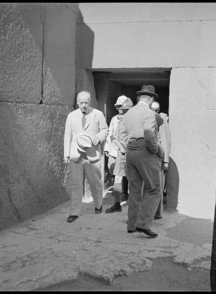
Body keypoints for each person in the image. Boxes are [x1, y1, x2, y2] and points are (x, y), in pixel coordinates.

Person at [119, 85, 164, 238]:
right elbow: (150, 136)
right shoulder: (149, 113)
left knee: (135, 189)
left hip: (130, 151)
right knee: (154, 188)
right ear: (151, 99)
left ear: (139, 98)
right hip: (145, 151)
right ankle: (143, 224)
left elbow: (121, 136)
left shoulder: (128, 113)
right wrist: (155, 150)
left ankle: (131, 225)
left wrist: (130, 147)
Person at [64, 91, 109, 223]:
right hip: (75, 155)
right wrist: (66, 154)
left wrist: (98, 139)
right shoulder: (71, 116)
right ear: (77, 103)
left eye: (86, 103)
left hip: (92, 154)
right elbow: (67, 135)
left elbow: (105, 130)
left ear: (90, 102)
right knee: (75, 184)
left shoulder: (98, 114)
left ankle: (98, 204)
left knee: (95, 182)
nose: (84, 105)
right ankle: (74, 212)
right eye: (81, 103)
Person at [105, 96, 133, 213]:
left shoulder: (135, 120)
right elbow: (113, 135)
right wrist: (119, 145)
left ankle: (133, 203)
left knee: (133, 178)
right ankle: (117, 203)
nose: (121, 111)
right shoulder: (117, 120)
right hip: (119, 152)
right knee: (117, 177)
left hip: (132, 154)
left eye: (124, 109)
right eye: (120, 108)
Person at [150, 101, 172, 220]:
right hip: (147, 158)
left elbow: (165, 141)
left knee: (158, 185)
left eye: (156, 110)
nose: (154, 112)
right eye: (152, 109)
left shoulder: (162, 121)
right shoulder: (146, 120)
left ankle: (157, 213)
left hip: (158, 158)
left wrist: (165, 160)